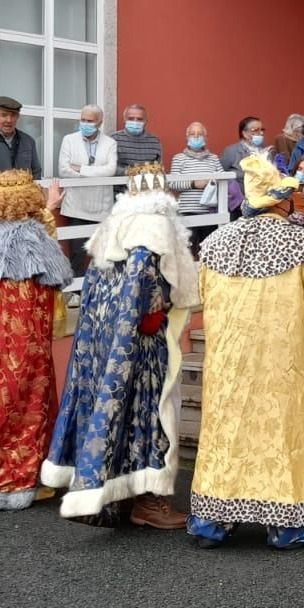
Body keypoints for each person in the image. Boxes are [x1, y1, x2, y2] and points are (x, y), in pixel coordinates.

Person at [190, 154, 304, 550]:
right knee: (284, 434)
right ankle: (288, 527)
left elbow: (204, 296)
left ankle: (212, 521)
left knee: (227, 432)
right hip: (285, 362)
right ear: (280, 201)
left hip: (229, 362)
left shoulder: (214, 244)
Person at [43, 163, 198, 529]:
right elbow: (142, 279)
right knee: (151, 413)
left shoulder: (113, 225)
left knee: (117, 409)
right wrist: (150, 315)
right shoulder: (155, 227)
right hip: (141, 344)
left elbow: (99, 285)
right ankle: (149, 500)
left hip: (104, 341)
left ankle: (120, 498)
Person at [0, 170, 72, 511]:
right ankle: (13, 480)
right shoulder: (34, 239)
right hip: (25, 338)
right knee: (24, 399)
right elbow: (58, 276)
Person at [57, 105, 119, 275]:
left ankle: (100, 292)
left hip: (101, 207)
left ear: (100, 122)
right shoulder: (69, 139)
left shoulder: (110, 143)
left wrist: (81, 169)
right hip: (76, 206)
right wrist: (95, 174)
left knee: (102, 254)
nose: (85, 124)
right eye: (83, 120)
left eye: (90, 121)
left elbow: (110, 170)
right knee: (77, 253)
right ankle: (75, 292)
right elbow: (64, 170)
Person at [169, 121, 219, 254]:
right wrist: (193, 184)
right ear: (187, 137)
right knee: (187, 253)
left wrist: (212, 182)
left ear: (205, 137)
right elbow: (172, 183)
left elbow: (223, 181)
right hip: (187, 211)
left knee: (210, 252)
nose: (196, 137)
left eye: (200, 134)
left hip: (210, 211)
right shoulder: (179, 158)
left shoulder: (214, 159)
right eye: (192, 134)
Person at [112, 103, 164, 176]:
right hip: (121, 186)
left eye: (139, 119)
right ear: (125, 119)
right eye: (131, 118)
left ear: (146, 121)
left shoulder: (154, 141)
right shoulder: (114, 139)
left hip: (146, 186)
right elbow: (110, 167)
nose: (135, 122)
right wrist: (133, 172)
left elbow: (158, 167)